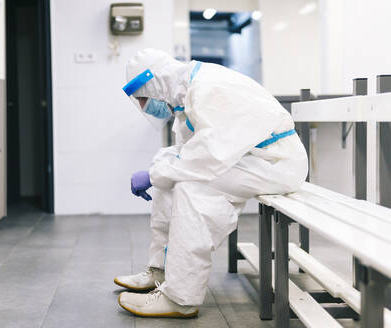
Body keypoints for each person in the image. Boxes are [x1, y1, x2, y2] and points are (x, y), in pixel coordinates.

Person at [114, 48, 308, 318]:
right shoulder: (186, 94)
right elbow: (185, 151)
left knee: (191, 188)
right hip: (252, 157)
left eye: (145, 97)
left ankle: (180, 298)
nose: (147, 106)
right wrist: (157, 172)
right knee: (166, 165)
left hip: (276, 162)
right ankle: (160, 270)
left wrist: (156, 174)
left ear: (156, 81)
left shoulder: (207, 87)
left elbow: (208, 155)